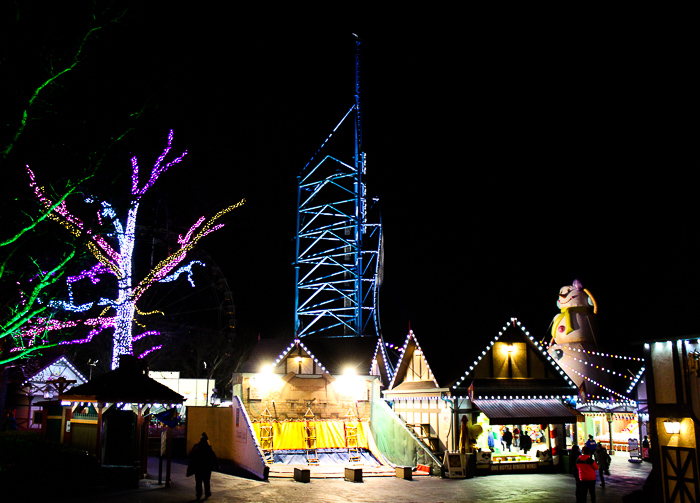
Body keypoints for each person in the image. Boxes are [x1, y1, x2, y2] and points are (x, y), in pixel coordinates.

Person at [187, 432, 219, 501]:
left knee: (198, 482)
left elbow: (191, 455)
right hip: (207, 468)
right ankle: (207, 493)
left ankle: (198, 494)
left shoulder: (196, 447)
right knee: (206, 481)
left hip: (198, 467)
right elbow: (214, 457)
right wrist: (217, 466)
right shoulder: (209, 448)